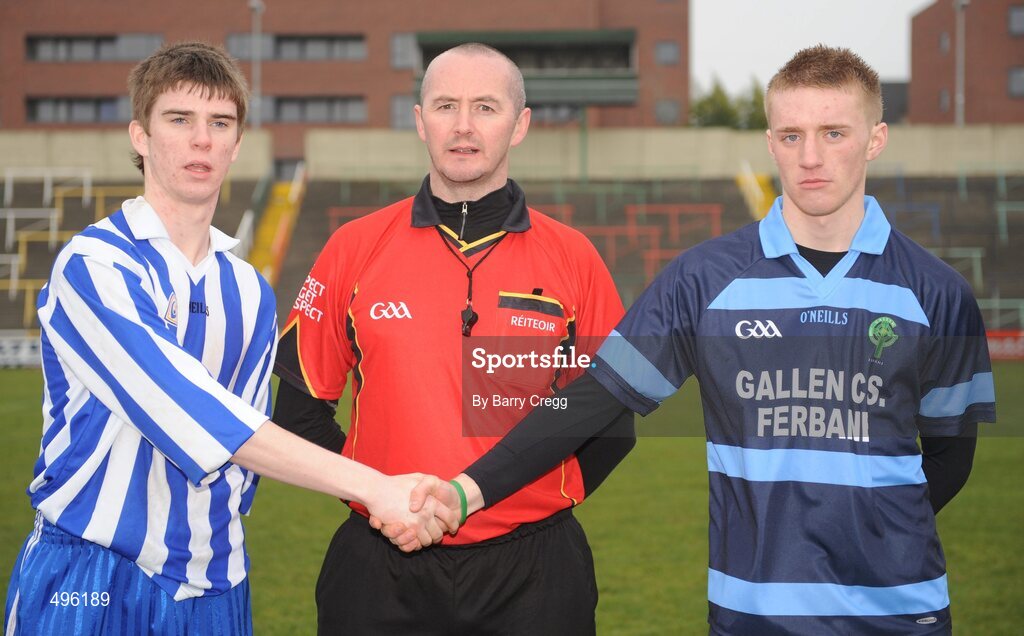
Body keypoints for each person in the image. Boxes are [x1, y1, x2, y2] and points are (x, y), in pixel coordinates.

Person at [413, 45, 996, 635]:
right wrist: (467, 490)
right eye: (791, 135)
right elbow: (590, 400)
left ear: (875, 139)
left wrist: (871, 533)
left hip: (899, 612)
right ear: (770, 143)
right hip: (753, 614)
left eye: (835, 132)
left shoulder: (937, 293)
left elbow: (951, 456)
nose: (811, 157)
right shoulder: (704, 279)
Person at [3, 41, 456, 636]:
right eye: (179, 120)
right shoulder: (94, 266)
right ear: (140, 136)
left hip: (216, 583)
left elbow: (245, 460)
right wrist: (376, 488)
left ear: (237, 144)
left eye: (220, 123)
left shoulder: (248, 289)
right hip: (91, 575)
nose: (202, 140)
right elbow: (188, 412)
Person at [272, 42, 635, 634]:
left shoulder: (575, 259)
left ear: (520, 126)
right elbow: (297, 412)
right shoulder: (353, 248)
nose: (463, 126)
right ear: (420, 121)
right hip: (379, 569)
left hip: (535, 577)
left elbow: (610, 425)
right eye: (445, 106)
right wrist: (379, 500)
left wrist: (529, 501)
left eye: (486, 108)